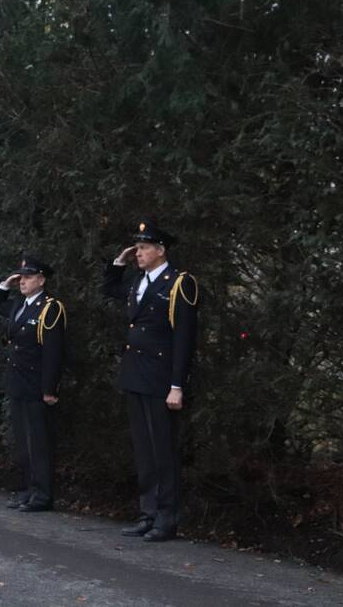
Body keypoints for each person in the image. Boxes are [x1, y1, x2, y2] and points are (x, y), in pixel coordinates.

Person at [102, 220, 199, 543]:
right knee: (144, 449)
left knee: (163, 450)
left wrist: (177, 385)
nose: (139, 253)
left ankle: (166, 517)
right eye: (138, 248)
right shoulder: (138, 281)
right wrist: (119, 262)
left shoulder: (178, 283)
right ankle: (148, 512)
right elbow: (109, 288)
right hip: (136, 374)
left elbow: (184, 337)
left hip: (161, 378)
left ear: (160, 250)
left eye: (144, 248)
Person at [0, 256, 65, 512]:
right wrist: (4, 285)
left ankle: (42, 494)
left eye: (28, 277)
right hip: (17, 380)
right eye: (21, 277)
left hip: (36, 382)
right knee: (22, 440)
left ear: (41, 280)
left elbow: (53, 352)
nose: (22, 282)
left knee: (39, 441)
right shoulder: (19, 305)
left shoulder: (50, 307)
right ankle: (26, 489)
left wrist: (49, 388)